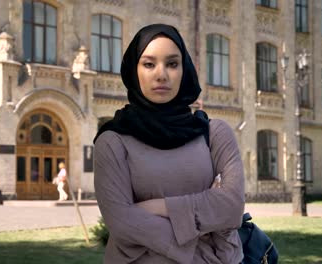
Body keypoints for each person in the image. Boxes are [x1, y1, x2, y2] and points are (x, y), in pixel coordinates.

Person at [93, 24, 245, 263]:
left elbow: (232, 207)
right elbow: (122, 222)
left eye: (172, 64)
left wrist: (154, 207)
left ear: (185, 70)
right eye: (149, 64)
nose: (161, 74)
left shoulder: (214, 134)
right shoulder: (113, 141)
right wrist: (203, 226)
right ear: (134, 70)